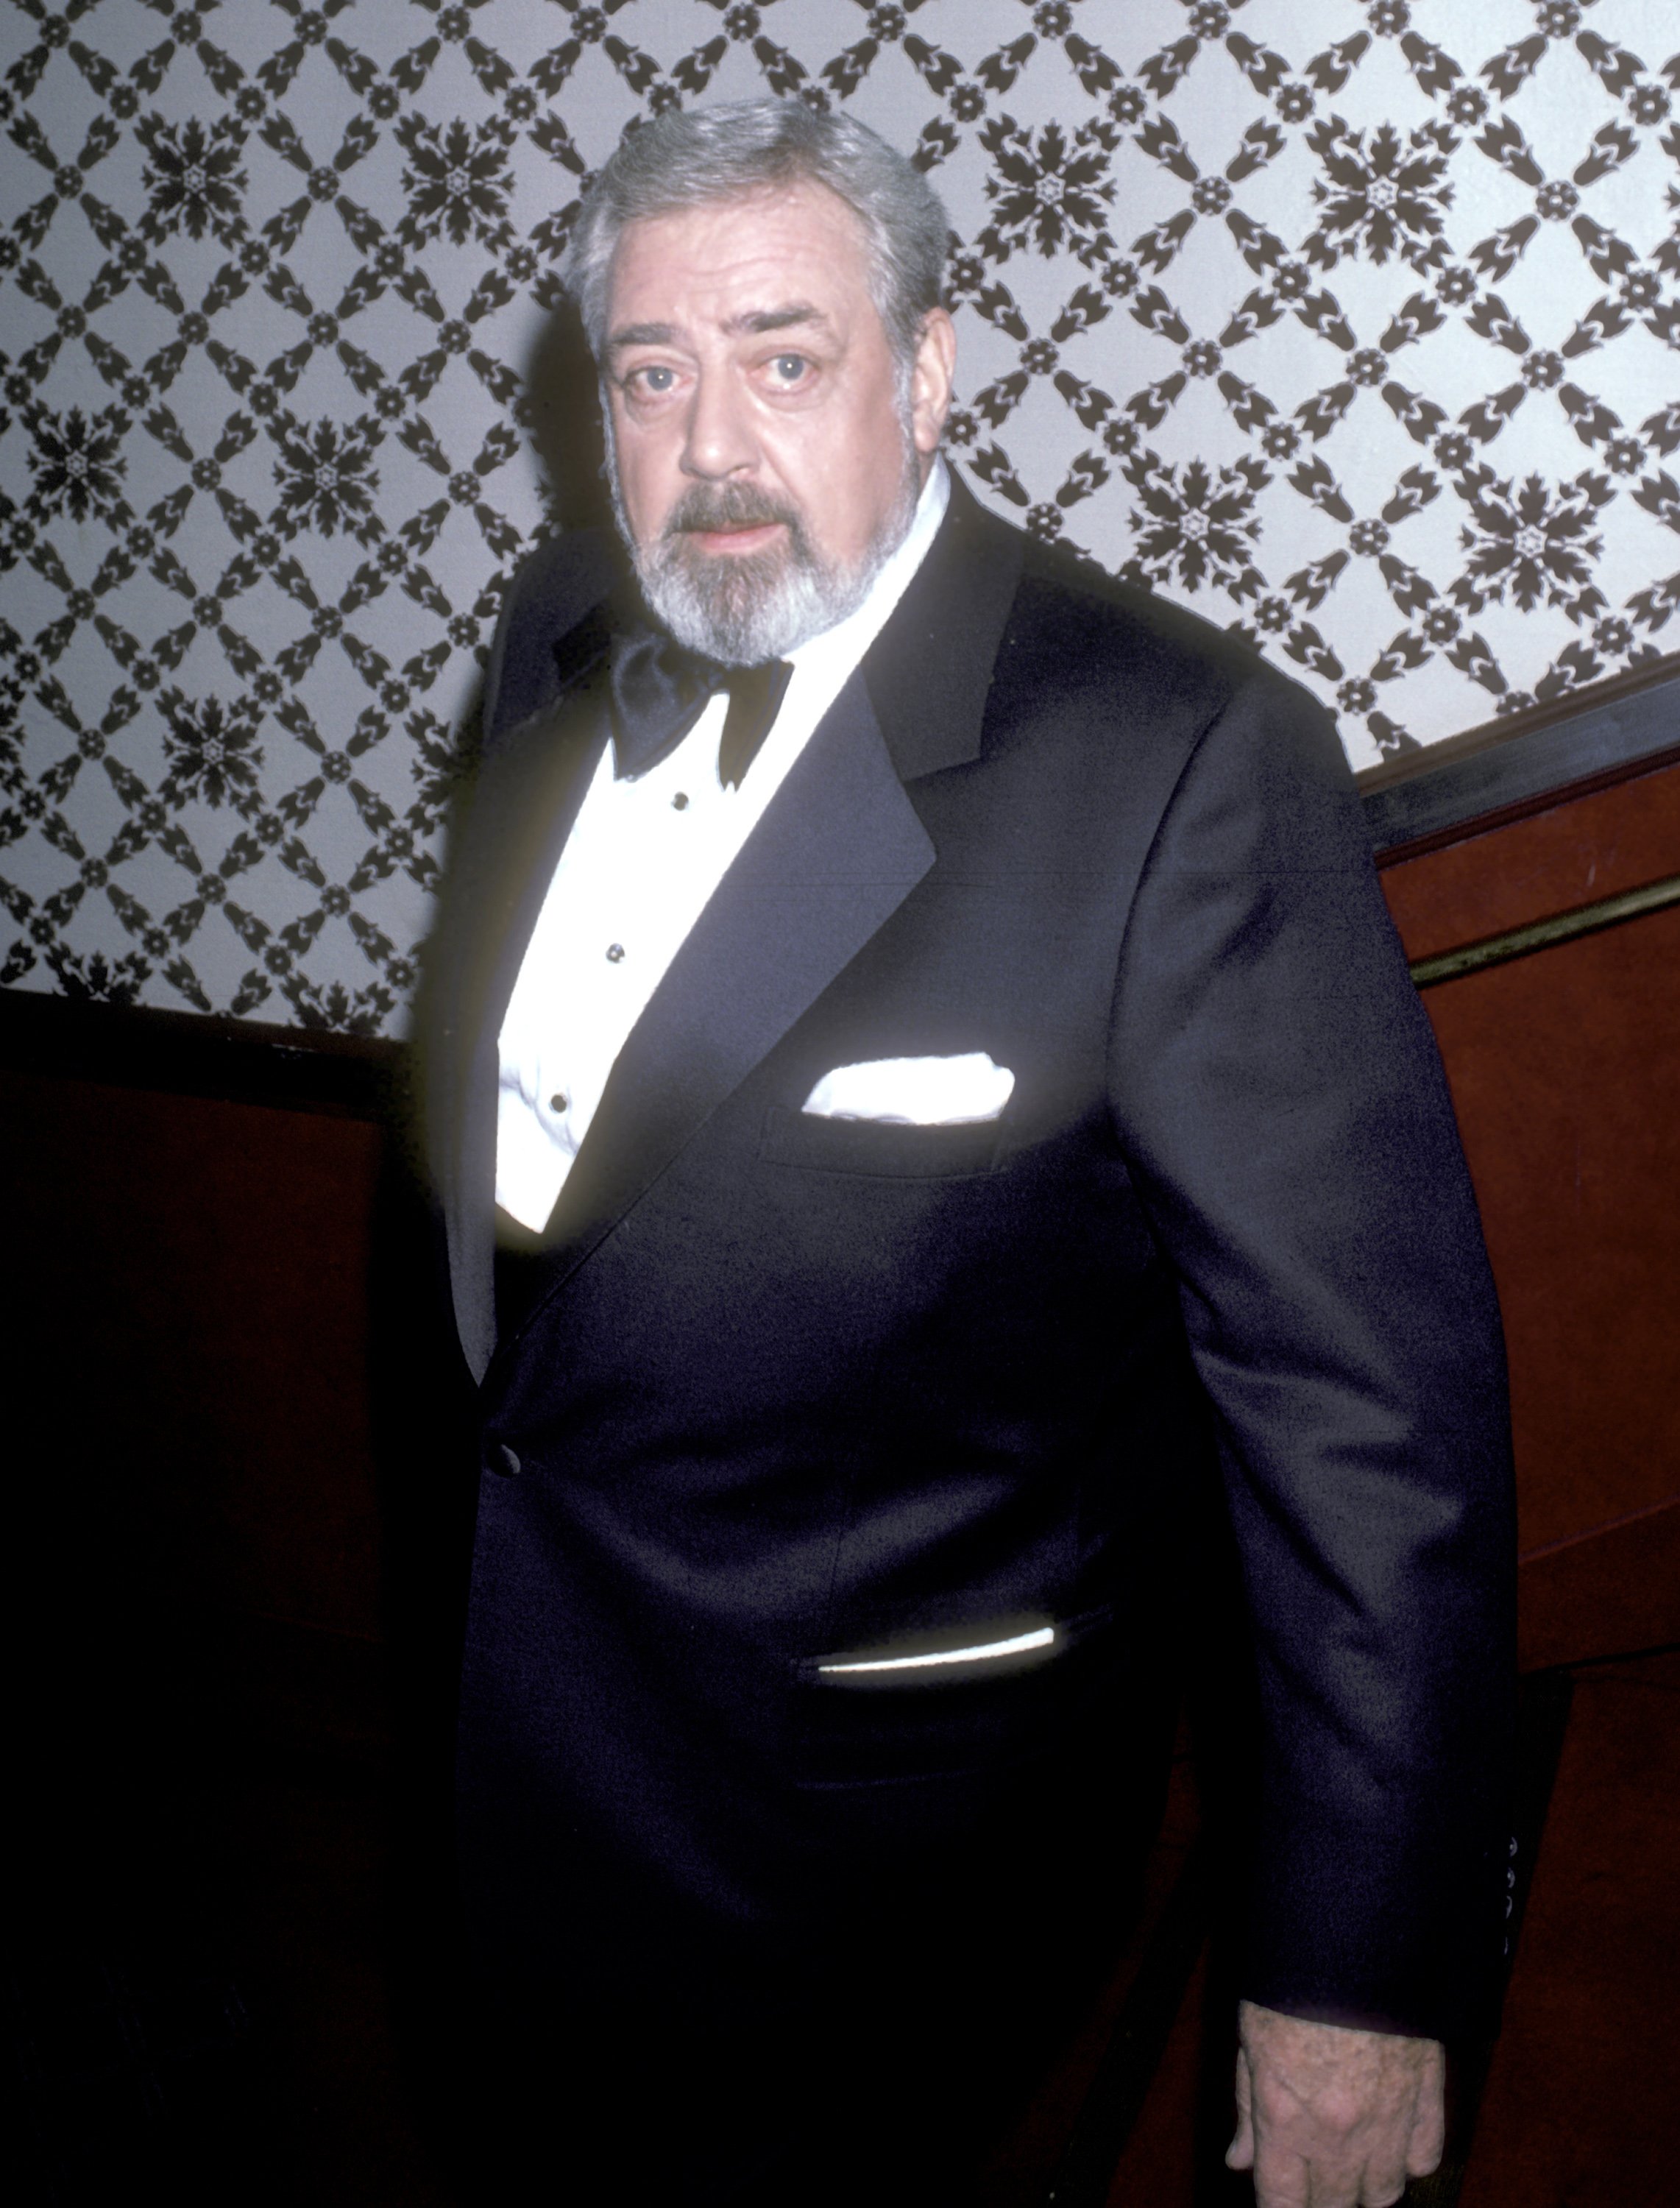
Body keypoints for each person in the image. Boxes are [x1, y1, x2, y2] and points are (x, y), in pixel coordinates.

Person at [418, 98, 1514, 2207]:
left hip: (881, 1868)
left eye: (785, 355)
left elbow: (1365, 1425)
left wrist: (1350, 1977)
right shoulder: (557, 639)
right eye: (654, 374)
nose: (712, 445)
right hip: (515, 1789)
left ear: (926, 370)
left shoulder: (1175, 759)